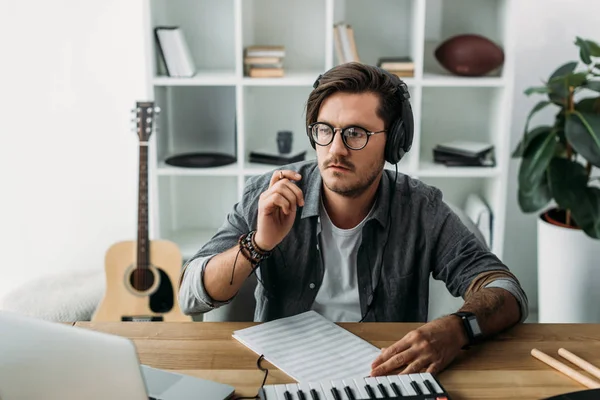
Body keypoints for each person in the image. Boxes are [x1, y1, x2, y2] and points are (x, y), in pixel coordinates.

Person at [178, 62, 528, 377]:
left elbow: (507, 291)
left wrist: (457, 329)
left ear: (394, 144)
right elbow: (190, 296)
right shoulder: (270, 194)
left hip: (384, 373)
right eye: (325, 130)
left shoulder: (421, 209)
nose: (336, 150)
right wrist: (259, 243)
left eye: (356, 133)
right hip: (280, 373)